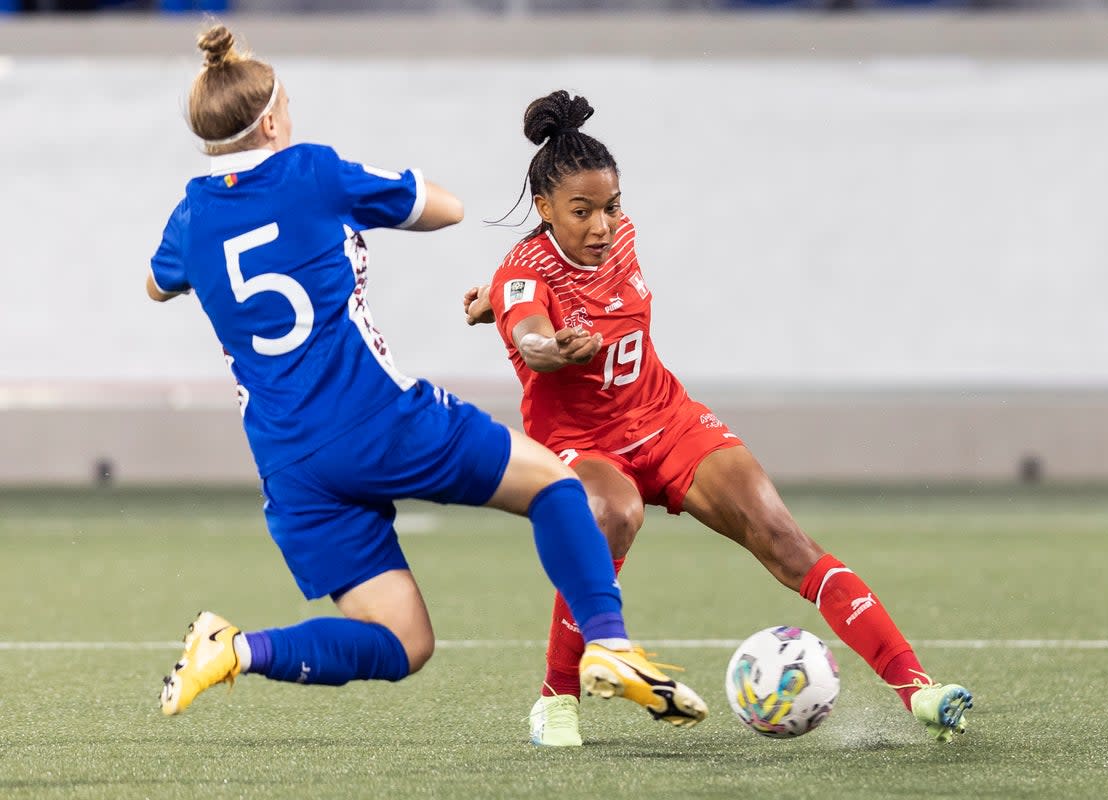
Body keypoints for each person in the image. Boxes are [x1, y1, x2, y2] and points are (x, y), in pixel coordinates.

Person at [146, 26, 708, 732]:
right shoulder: (313, 172)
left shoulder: (190, 217)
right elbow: (446, 208)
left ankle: (236, 650)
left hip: (290, 465)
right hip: (376, 419)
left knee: (404, 641)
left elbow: (156, 285)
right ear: (271, 120)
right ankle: (608, 642)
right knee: (556, 485)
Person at [463, 90, 973, 747]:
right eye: (582, 212)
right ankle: (556, 700)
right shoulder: (522, 276)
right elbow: (529, 326)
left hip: (666, 418)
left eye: (611, 207)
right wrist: (548, 347)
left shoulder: (617, 239)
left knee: (785, 539)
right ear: (544, 210)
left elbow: (527, 286)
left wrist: (486, 305)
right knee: (610, 517)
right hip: (582, 443)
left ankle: (919, 690)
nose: (601, 226)